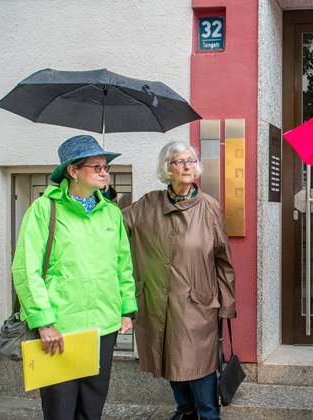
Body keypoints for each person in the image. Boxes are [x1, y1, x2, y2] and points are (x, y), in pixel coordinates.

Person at [12, 134, 138, 420]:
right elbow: (26, 268)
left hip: (102, 325)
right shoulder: (44, 210)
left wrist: (126, 309)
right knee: (61, 408)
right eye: (97, 167)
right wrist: (43, 321)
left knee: (92, 407)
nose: (105, 172)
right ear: (73, 170)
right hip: (60, 326)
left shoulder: (111, 213)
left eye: (106, 167)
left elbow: (123, 264)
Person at [122, 140, 236, 420]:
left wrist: (227, 304)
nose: (187, 167)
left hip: (196, 303)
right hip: (157, 301)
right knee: (169, 359)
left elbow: (223, 260)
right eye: (179, 161)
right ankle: (184, 411)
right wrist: (102, 197)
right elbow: (113, 225)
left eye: (191, 161)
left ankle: (208, 415)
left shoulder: (209, 207)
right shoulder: (148, 204)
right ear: (166, 168)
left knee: (196, 365)